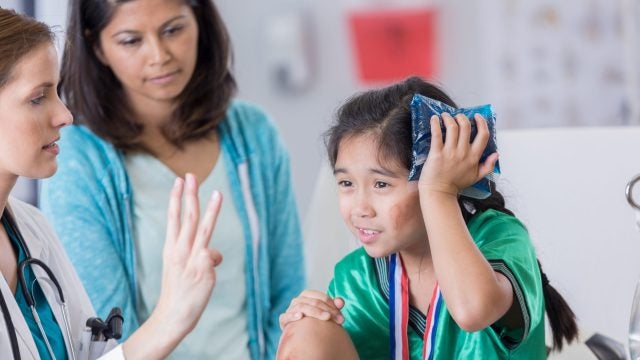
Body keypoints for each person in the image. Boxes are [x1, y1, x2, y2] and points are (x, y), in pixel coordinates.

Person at [39, 0, 304, 358]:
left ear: (200, 22)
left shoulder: (254, 134)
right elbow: (105, 333)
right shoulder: (77, 158)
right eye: (131, 41)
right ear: (97, 46)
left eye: (173, 30)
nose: (159, 55)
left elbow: (287, 294)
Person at [277, 77, 578, 359]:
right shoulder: (356, 277)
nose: (360, 208)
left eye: (381, 184)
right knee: (306, 330)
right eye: (346, 184)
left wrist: (439, 191)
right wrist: (304, 325)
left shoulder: (499, 238)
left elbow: (473, 311)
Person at [0, 8, 224, 359]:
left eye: (56, 92)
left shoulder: (33, 229)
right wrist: (169, 318)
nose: (65, 115)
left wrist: (174, 316)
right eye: (38, 97)